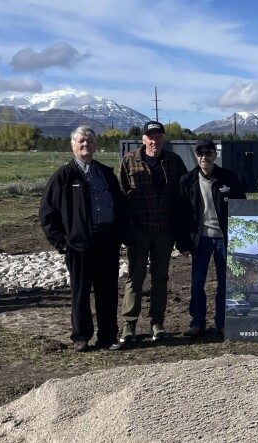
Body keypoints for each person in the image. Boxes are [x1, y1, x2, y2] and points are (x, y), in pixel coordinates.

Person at [39, 126, 126, 352]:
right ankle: (81, 336)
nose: (85, 144)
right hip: (78, 244)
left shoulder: (105, 174)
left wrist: (120, 234)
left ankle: (107, 336)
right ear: (72, 146)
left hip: (107, 241)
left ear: (95, 145)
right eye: (81, 141)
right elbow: (47, 213)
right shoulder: (64, 176)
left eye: (89, 141)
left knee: (107, 290)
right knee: (80, 292)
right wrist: (61, 241)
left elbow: (119, 205)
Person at [118, 120, 188, 343]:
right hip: (139, 230)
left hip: (164, 230)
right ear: (143, 139)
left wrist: (181, 230)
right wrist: (125, 228)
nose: (154, 140)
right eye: (150, 137)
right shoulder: (130, 160)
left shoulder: (174, 161)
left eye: (158, 136)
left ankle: (157, 322)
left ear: (163, 139)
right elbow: (120, 196)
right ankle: (129, 324)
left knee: (160, 278)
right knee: (135, 278)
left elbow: (183, 196)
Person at [179, 139, 247, 338]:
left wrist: (241, 240)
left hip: (225, 240)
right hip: (200, 239)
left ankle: (222, 323)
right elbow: (180, 215)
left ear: (215, 155)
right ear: (196, 156)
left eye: (208, 154)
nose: (204, 158)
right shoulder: (187, 181)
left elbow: (242, 207)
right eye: (200, 154)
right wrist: (182, 243)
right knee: (197, 283)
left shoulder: (229, 178)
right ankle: (197, 323)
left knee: (224, 284)